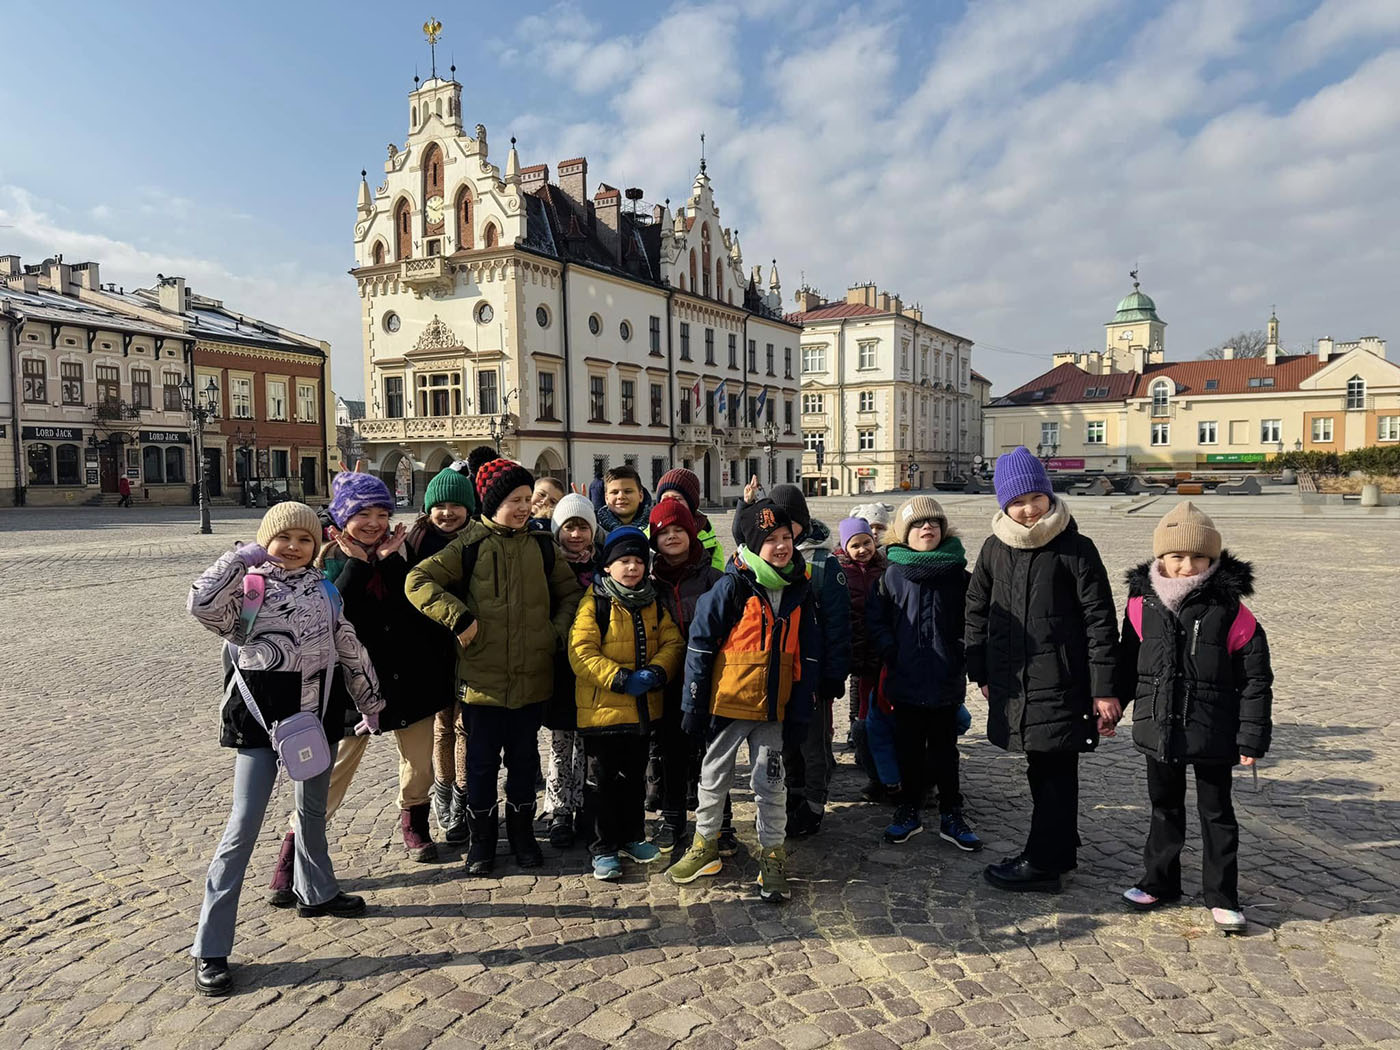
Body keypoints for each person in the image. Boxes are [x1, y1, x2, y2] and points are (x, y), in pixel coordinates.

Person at [186, 502, 384, 997]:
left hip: (317, 715)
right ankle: (211, 946)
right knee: (243, 826)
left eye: (304, 539)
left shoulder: (325, 589)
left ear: (317, 545)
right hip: (260, 718)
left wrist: (370, 699)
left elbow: (348, 646)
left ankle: (315, 891)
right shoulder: (249, 589)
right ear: (266, 540)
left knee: (312, 810)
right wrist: (241, 558)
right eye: (283, 538)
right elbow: (200, 604)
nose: (294, 547)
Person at [406, 459, 583, 875]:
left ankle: (521, 836)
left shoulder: (541, 546)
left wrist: (554, 633)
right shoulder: (468, 543)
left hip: (531, 681)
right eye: (515, 500)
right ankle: (483, 842)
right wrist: (460, 618)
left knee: (523, 765)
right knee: (481, 767)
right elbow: (417, 582)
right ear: (493, 501)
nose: (524, 507)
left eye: (527, 499)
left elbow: (571, 593)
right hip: (480, 684)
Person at [965, 447, 1120, 893]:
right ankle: (1060, 845)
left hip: (1062, 680)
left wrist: (1104, 688)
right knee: (1042, 765)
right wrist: (981, 672)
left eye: (1036, 497)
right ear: (1004, 505)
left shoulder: (1076, 548)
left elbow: (1100, 621)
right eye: (1018, 501)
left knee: (1054, 767)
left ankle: (1044, 863)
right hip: (1014, 681)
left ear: (1049, 496)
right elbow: (977, 611)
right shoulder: (995, 548)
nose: (1029, 509)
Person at [1116, 502, 1273, 934]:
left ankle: (1222, 896)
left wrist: (1251, 738)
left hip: (1213, 730)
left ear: (1213, 559)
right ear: (1160, 557)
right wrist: (1112, 705)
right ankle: (1159, 881)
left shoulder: (1232, 610)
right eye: (1177, 556)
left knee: (1216, 813)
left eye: (1198, 557)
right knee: (1163, 807)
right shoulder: (1140, 603)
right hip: (1158, 725)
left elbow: (1256, 677)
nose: (1187, 566)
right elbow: (1129, 661)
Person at [670, 499, 818, 903]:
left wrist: (802, 704)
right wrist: (694, 704)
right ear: (753, 544)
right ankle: (705, 844)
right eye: (770, 540)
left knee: (771, 782)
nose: (781, 546)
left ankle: (772, 854)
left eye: (786, 537)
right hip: (728, 705)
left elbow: (806, 651)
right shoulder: (732, 586)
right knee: (714, 776)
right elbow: (700, 648)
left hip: (772, 708)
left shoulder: (799, 587)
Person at [569, 526, 685, 880]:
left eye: (638, 560)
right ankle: (603, 847)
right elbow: (581, 652)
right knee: (601, 782)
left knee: (633, 779)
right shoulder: (595, 603)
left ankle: (633, 836)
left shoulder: (653, 601)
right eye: (624, 561)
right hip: (602, 713)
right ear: (607, 566)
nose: (632, 568)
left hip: (641, 711)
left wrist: (657, 672)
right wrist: (619, 679)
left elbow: (673, 643)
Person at [866, 497, 981, 851]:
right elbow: (877, 619)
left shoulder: (959, 575)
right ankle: (908, 810)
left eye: (933, 522)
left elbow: (975, 619)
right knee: (909, 750)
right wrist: (890, 651)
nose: (926, 528)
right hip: (905, 679)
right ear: (904, 534)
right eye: (917, 524)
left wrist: (961, 651)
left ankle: (951, 812)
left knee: (945, 751)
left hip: (945, 680)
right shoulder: (892, 576)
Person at [766, 485, 851, 838]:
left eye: (791, 524)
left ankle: (814, 804)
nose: (785, 534)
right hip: (775, 673)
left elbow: (839, 624)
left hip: (811, 673)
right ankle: (792, 797)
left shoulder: (823, 563)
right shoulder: (763, 555)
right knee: (784, 744)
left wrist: (834, 674)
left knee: (813, 745)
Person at [647, 497, 724, 852]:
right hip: (668, 683)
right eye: (665, 532)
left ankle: (719, 823)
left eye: (680, 529)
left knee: (713, 753)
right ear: (655, 540)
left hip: (711, 681)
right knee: (671, 753)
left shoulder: (715, 579)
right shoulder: (649, 583)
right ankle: (673, 817)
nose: (673, 537)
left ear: (692, 534)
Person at [409, 467, 478, 845]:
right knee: (442, 725)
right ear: (428, 508)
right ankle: (444, 791)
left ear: (469, 508)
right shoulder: (415, 543)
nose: (447, 512)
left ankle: (464, 799)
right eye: (439, 505)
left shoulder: (478, 541)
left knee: (466, 725)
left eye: (456, 505)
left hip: (470, 646)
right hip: (431, 649)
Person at [543, 492, 599, 847]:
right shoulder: (547, 566)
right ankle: (559, 809)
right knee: (561, 741)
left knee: (589, 742)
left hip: (594, 668)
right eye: (569, 527)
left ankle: (586, 806)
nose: (576, 535)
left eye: (582, 527)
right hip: (560, 667)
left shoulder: (604, 564)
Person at [833, 517, 888, 799]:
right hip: (853, 651)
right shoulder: (839, 570)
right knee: (861, 714)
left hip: (880, 654)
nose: (863, 549)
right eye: (855, 545)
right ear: (845, 547)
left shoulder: (886, 567)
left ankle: (883, 773)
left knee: (879, 715)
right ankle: (873, 772)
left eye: (866, 542)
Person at [652, 467, 725, 570]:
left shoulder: (710, 542)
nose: (671, 503)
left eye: (677, 498)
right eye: (665, 499)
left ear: (691, 504)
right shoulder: (649, 534)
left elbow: (717, 579)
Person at [595, 464, 653, 536]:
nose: (621, 496)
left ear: (640, 495)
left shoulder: (656, 526)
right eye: (615, 492)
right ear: (606, 498)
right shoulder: (594, 530)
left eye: (628, 491)